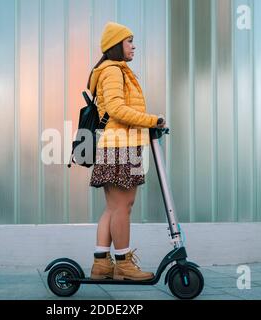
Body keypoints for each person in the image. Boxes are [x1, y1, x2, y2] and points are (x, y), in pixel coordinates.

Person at [87, 21, 167, 281]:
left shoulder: (115, 70)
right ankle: (123, 264)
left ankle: (101, 264)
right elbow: (117, 109)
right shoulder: (113, 71)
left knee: (113, 208)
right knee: (123, 207)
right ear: (116, 45)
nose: (134, 45)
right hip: (120, 146)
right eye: (129, 41)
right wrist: (153, 120)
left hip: (118, 145)